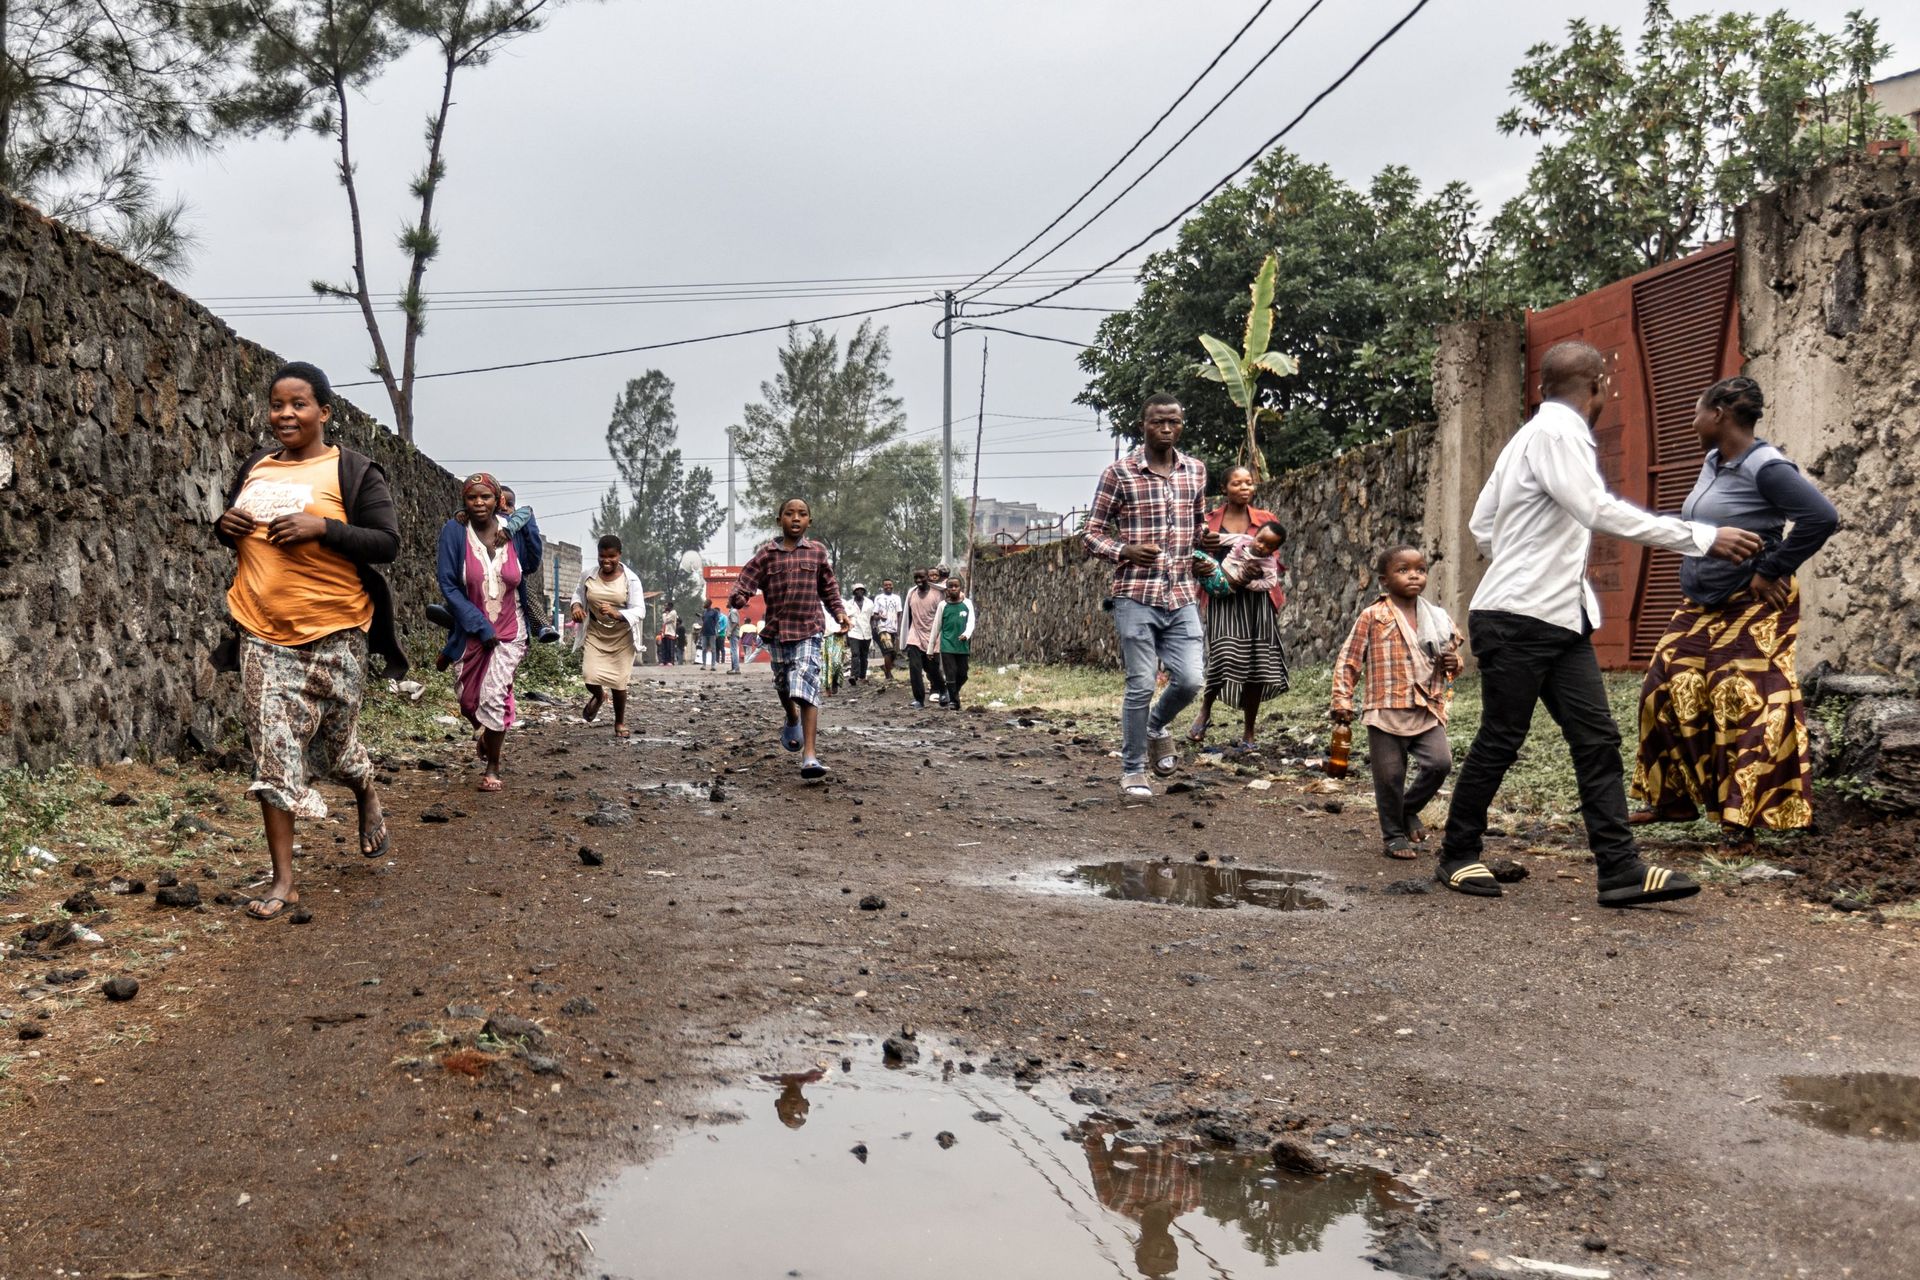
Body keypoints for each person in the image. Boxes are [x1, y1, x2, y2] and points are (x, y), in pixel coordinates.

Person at [1435, 340, 1763, 904]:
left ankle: (1619, 869)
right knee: (1503, 736)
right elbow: (1596, 510)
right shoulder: (1558, 434)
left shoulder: (1526, 438)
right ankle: (1458, 854)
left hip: (1560, 618)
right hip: (1518, 618)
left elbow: (1481, 522)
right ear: (1598, 385)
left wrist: (1523, 552)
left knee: (1596, 740)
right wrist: (1704, 538)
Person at [214, 361, 402, 920]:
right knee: (274, 753)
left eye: (298, 404)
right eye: (277, 404)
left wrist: (323, 528)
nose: (286, 414)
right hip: (262, 633)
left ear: (324, 411)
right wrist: (223, 527)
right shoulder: (256, 467)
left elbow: (387, 542)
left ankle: (364, 787)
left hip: (337, 632)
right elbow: (237, 527)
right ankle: (284, 880)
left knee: (336, 748)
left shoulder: (353, 470)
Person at [1630, 376, 1838, 843]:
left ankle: (1740, 822)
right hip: (1702, 604)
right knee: (1663, 687)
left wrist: (1772, 567)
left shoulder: (1765, 466)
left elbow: (1821, 517)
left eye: (1697, 410)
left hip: (1752, 602)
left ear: (1718, 414)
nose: (1692, 419)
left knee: (1740, 700)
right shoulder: (1714, 461)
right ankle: (1674, 801)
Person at [1084, 394, 1207, 798]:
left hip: (1183, 593)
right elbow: (1091, 533)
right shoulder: (1119, 474)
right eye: (1158, 422)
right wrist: (1125, 550)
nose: (1166, 429)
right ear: (1144, 425)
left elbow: (1198, 526)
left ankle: (1154, 725)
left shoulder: (1195, 472)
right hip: (1135, 594)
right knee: (1140, 682)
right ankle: (1133, 769)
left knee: (1190, 679)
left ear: (1181, 424)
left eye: (1173, 421)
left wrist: (1207, 552)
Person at [1331, 546, 1463, 859]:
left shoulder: (1437, 618)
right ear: (1384, 581)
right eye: (1403, 570)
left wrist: (1451, 662)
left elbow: (1455, 658)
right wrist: (1342, 701)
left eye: (1420, 569)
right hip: (1385, 708)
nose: (1414, 575)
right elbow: (1349, 660)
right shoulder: (1374, 616)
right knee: (1390, 777)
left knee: (1439, 764)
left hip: (1425, 707)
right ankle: (1393, 835)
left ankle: (1407, 809)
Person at [728, 498, 851, 780]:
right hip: (778, 631)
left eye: (802, 514)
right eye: (789, 513)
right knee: (784, 684)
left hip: (809, 628)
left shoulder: (817, 553)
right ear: (779, 519)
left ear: (810, 520)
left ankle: (809, 756)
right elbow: (745, 581)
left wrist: (840, 613)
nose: (796, 518)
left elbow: (829, 588)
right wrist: (739, 595)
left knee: (805, 684)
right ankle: (792, 717)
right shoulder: (767, 555)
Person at [437, 472, 530, 792]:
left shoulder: (512, 532)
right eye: (472, 497)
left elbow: (531, 562)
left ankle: (493, 765)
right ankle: (484, 731)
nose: (479, 503)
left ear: (497, 501)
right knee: (467, 700)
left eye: (486, 497)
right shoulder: (454, 532)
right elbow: (448, 584)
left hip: (510, 629)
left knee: (493, 694)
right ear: (463, 501)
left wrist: (519, 520)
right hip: (472, 631)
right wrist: (477, 624)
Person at [1189, 466, 1290, 751]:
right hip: (1223, 597)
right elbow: (1198, 555)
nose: (1244, 488)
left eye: (1249, 483)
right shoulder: (1209, 521)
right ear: (1225, 488)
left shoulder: (1266, 520)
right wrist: (1204, 548)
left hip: (1256, 600)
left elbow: (1273, 558)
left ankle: (1249, 732)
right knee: (1222, 654)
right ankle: (1205, 711)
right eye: (1237, 483)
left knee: (1257, 662)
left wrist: (1253, 575)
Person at [571, 533, 645, 737]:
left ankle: (619, 722)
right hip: (596, 632)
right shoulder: (589, 575)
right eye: (602, 556)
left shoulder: (631, 580)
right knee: (589, 676)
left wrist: (617, 613)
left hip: (622, 636)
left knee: (618, 683)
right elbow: (578, 593)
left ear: (619, 555)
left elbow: (640, 610)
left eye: (611, 556)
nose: (606, 561)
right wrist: (576, 606)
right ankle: (599, 696)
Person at [498, 486, 559, 643]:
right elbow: (534, 544)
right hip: (495, 567)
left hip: (513, 569)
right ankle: (543, 626)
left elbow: (532, 540)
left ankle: (542, 626)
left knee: (526, 592)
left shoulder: (521, 515)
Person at [902, 568, 948, 708]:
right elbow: (908, 616)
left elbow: (944, 616)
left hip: (932, 636)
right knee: (914, 668)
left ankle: (943, 690)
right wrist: (905, 637)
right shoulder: (912, 594)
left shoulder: (938, 594)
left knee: (932, 669)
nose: (918, 580)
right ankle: (919, 699)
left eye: (921, 577)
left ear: (928, 577)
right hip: (915, 635)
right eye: (916, 578)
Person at [930, 576, 976, 711]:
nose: (953, 588)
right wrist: (930, 649)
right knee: (950, 672)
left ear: (960, 587)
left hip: (962, 645)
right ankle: (954, 702)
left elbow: (971, 622)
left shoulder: (967, 603)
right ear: (947, 590)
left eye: (956, 586)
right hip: (947, 644)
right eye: (951, 586)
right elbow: (936, 627)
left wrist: (966, 634)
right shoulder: (942, 605)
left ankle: (952, 693)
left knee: (963, 673)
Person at [872, 578, 903, 681]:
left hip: (893, 628)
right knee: (888, 650)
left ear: (893, 585)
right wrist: (880, 617)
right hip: (882, 628)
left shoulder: (897, 598)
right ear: (883, 586)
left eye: (890, 585)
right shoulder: (879, 598)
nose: (888, 586)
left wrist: (899, 628)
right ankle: (888, 674)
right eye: (886, 585)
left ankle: (886, 668)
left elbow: (899, 614)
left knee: (893, 652)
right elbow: (874, 615)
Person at [845, 583, 876, 685]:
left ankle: (862, 676)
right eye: (857, 590)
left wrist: (873, 628)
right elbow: (847, 619)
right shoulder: (849, 604)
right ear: (854, 592)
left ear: (864, 591)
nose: (859, 592)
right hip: (854, 632)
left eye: (861, 590)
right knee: (855, 654)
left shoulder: (870, 603)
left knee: (864, 656)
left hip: (866, 632)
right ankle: (854, 675)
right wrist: (846, 635)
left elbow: (871, 618)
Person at [700, 601, 723, 670]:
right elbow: (703, 622)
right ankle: (704, 665)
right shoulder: (704, 612)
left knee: (713, 649)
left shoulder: (714, 612)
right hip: (704, 633)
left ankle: (713, 666)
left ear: (709, 604)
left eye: (705, 603)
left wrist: (717, 632)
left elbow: (717, 623)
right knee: (704, 649)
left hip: (712, 633)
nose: (704, 604)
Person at [726, 604, 744, 673]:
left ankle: (736, 669)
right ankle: (734, 668)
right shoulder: (732, 611)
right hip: (733, 633)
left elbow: (735, 622)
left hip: (733, 634)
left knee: (733, 651)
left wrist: (730, 632)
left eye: (728, 601)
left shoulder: (733, 611)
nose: (727, 602)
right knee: (733, 651)